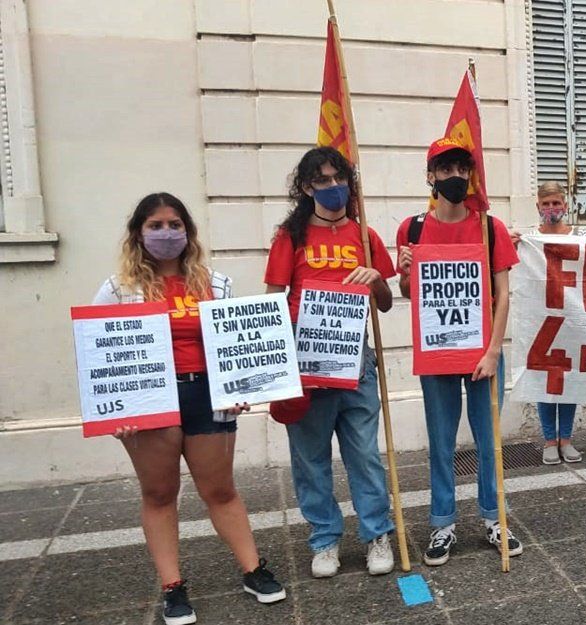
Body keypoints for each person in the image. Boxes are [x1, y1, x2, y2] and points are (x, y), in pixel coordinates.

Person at [94, 193, 285, 625]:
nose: (166, 233)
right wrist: (114, 411)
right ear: (138, 234)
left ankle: (253, 570)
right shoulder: (118, 290)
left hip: (207, 396)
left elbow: (235, 346)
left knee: (220, 490)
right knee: (160, 494)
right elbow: (100, 355)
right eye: (156, 226)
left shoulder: (215, 284)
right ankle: (173, 588)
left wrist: (241, 385)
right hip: (151, 400)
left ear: (189, 231)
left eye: (175, 224)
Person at [264, 147, 397, 578]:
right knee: (310, 459)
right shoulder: (291, 237)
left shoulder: (365, 236)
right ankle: (324, 541)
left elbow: (387, 304)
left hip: (356, 360)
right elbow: (272, 300)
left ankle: (377, 534)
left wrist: (376, 278)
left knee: (365, 456)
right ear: (306, 187)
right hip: (305, 363)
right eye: (322, 180)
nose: (332, 186)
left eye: (338, 177)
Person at [397, 136, 525, 566]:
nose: (455, 176)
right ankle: (443, 524)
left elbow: (503, 296)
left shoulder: (490, 227)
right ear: (430, 175)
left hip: (484, 353)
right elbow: (410, 294)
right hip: (437, 355)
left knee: (490, 442)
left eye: (462, 169)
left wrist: (492, 352)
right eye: (446, 169)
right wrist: (406, 274)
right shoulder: (412, 229)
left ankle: (494, 518)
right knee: (441, 441)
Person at [511, 182, 584, 464]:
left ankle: (566, 439)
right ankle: (549, 440)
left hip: (572, 320)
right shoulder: (529, 240)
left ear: (565, 205)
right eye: (546, 204)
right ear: (538, 207)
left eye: (556, 203)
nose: (551, 209)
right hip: (541, 320)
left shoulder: (580, 237)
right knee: (544, 380)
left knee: (570, 380)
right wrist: (512, 245)